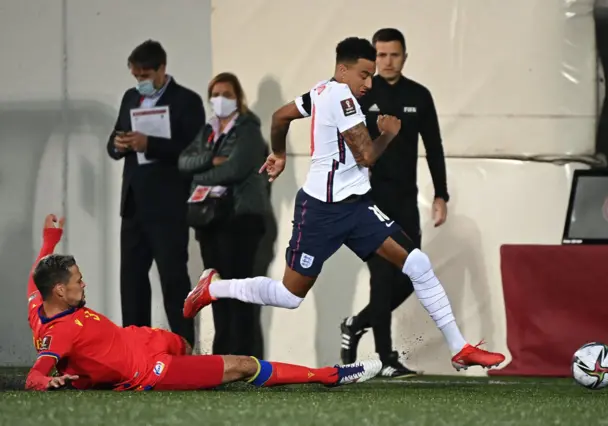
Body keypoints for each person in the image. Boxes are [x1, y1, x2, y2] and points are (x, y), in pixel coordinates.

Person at [183, 37, 505, 372]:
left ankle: (459, 347)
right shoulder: (341, 96)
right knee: (290, 296)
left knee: (418, 263)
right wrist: (389, 133)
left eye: (371, 75)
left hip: (357, 208)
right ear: (343, 70)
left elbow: (280, 117)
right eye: (364, 74)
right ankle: (216, 287)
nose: (369, 82)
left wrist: (278, 152)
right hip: (320, 212)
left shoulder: (322, 90)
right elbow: (366, 156)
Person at [25, 214, 381, 391]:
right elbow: (36, 373)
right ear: (59, 291)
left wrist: (49, 239)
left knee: (183, 343)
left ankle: (202, 363)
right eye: (76, 281)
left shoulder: (37, 299)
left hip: (137, 339)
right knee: (242, 365)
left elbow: (34, 272)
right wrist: (47, 382)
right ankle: (331, 375)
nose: (83, 283)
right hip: (147, 371)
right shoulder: (62, 332)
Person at [338, 28, 450, 377]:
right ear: (374, 57)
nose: (387, 62)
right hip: (370, 201)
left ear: (404, 56)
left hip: (404, 200)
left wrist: (441, 194)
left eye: (394, 55)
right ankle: (384, 359)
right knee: (382, 278)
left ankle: (357, 323)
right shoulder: (359, 95)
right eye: (381, 55)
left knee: (413, 274)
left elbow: (434, 147)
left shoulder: (419, 95)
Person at [106, 40, 205, 347]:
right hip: (133, 202)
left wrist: (150, 144)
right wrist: (118, 144)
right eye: (136, 76)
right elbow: (114, 140)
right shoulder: (129, 98)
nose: (141, 83)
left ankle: (183, 347)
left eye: (146, 75)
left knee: (174, 279)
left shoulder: (186, 101)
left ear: (162, 68)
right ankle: (134, 350)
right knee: (132, 280)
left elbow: (195, 152)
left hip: (168, 203)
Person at [178, 72, 270, 358]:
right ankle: (223, 355)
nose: (221, 100)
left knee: (240, 291)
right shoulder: (208, 130)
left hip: (240, 219)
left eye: (227, 94)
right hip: (210, 220)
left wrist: (199, 175)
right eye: (216, 94)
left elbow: (236, 169)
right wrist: (208, 160)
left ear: (238, 97)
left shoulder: (248, 131)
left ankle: (244, 356)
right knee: (216, 290)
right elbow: (183, 161)